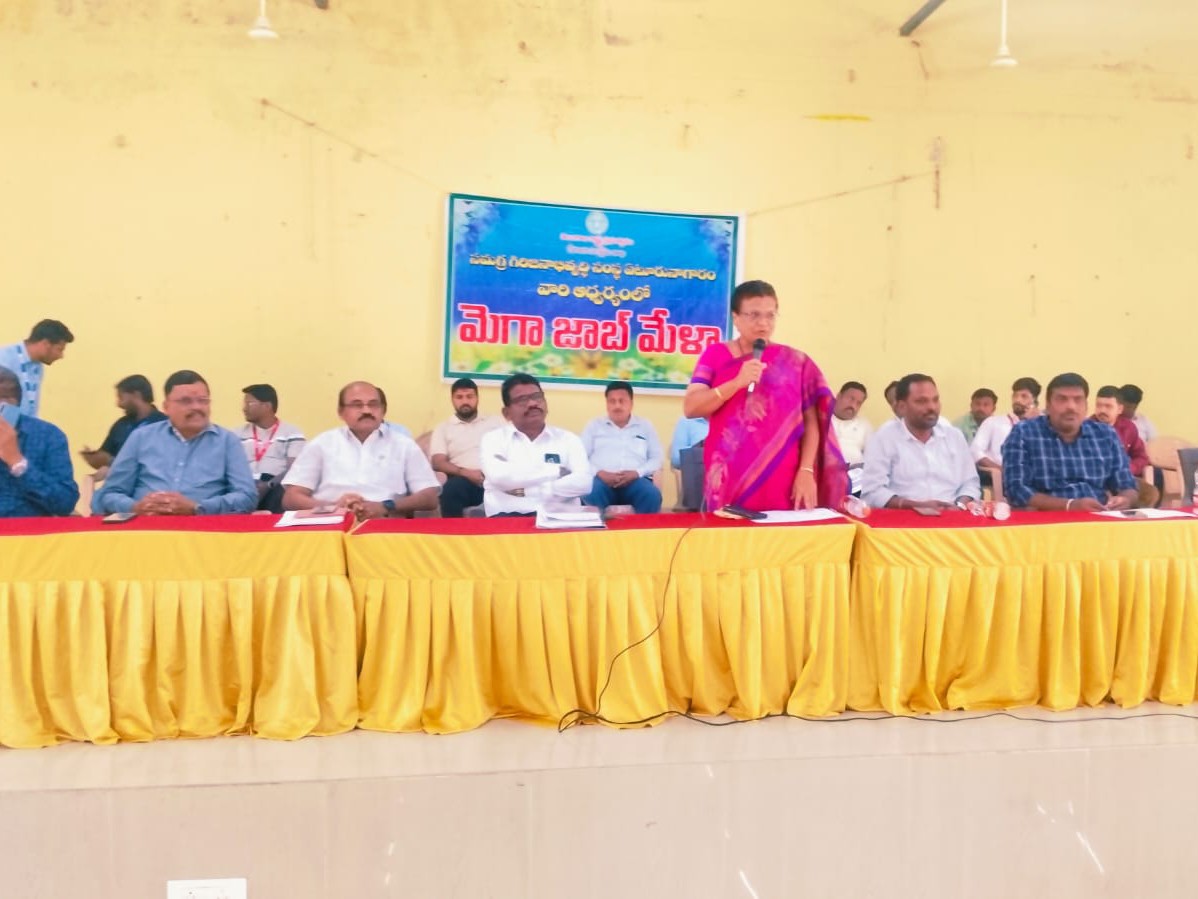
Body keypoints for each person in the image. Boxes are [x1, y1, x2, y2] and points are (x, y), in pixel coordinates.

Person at [682, 279, 847, 512]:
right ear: (735, 317)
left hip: (783, 476)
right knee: (729, 533)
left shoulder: (795, 362)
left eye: (770, 315)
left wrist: (806, 470)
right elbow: (691, 407)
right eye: (754, 315)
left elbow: (811, 423)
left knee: (779, 533)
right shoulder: (715, 355)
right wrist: (735, 383)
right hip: (728, 474)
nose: (763, 323)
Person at [92, 370, 257, 515]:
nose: (197, 407)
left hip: (203, 532)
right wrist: (136, 507)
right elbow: (109, 494)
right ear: (166, 407)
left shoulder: (227, 442)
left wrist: (197, 508)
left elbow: (247, 497)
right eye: (186, 401)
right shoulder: (141, 438)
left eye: (203, 400)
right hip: (143, 530)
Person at [283, 381, 439, 520]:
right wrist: (333, 507)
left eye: (373, 404)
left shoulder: (404, 445)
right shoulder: (322, 443)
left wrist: (385, 506)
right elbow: (291, 498)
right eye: (357, 405)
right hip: (330, 523)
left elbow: (429, 497)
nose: (366, 410)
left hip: (384, 524)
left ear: (383, 410)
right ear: (341, 412)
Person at [1002, 373, 1137, 511]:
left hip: (1099, 516)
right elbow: (1016, 491)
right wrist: (1069, 505)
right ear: (1048, 405)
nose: (1071, 406)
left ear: (1086, 406)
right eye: (1062, 399)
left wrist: (1125, 499)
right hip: (1047, 519)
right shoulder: (1024, 433)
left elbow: (1127, 485)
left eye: (1078, 400)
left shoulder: (1105, 434)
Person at [861, 373, 980, 511]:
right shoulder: (884, 438)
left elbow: (970, 483)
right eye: (922, 401)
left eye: (935, 400)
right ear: (902, 406)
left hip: (952, 515)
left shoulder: (954, 437)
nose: (932, 407)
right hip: (904, 517)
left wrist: (959, 505)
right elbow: (873, 492)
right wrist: (915, 506)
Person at [479, 373, 591, 516]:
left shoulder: (569, 439)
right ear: (506, 413)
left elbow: (584, 482)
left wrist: (529, 491)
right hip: (507, 520)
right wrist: (556, 471)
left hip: (559, 520)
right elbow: (500, 477)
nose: (532, 404)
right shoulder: (493, 440)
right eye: (522, 400)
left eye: (537, 397)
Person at [0, 366, 79, 517]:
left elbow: (65, 503)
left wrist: (18, 464)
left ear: (10, 404)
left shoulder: (48, 436)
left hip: (30, 529)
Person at [581, 382, 664, 514]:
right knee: (589, 492)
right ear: (607, 404)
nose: (617, 406)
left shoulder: (645, 426)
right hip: (601, 481)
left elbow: (656, 458)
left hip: (636, 481)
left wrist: (637, 472)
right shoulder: (594, 425)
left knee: (651, 494)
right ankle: (597, 528)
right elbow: (580, 458)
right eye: (612, 401)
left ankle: (643, 528)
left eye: (622, 401)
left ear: (631, 403)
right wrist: (600, 473)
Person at [429, 377, 503, 518]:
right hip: (463, 482)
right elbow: (438, 462)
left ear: (477, 398)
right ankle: (453, 532)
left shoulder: (496, 422)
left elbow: (511, 449)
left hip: (496, 479)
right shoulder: (443, 428)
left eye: (470, 396)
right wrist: (466, 473)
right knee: (450, 490)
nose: (465, 401)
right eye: (459, 397)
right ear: (452, 400)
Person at [79, 375, 168, 477]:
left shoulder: (165, 425)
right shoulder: (120, 426)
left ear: (136, 395)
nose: (119, 404)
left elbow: (160, 464)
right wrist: (95, 458)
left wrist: (111, 461)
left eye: (121, 397)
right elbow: (106, 458)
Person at [238, 384, 307, 513]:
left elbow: (294, 469)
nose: (244, 408)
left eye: (249, 403)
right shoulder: (237, 434)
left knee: (285, 493)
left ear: (267, 406)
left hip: (274, 486)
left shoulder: (291, 433)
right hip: (244, 486)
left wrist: (268, 485)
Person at [1092, 385, 1158, 507]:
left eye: (1108, 406)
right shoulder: (1087, 427)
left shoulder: (1128, 427)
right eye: (1099, 405)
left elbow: (1141, 456)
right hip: (1097, 480)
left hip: (1123, 478)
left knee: (1150, 493)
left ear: (1120, 409)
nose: (1102, 410)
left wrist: (1129, 469)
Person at [0, 319, 74, 418]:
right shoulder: (4, 359)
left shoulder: (37, 367)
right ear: (45, 344)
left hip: (23, 424)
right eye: (59, 349)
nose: (61, 356)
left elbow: (32, 408)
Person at [971, 377, 1041, 471]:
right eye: (1015, 395)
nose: (1017, 400)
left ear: (1034, 401)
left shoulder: (1042, 425)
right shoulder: (993, 422)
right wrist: (1001, 470)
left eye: (1024, 396)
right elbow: (975, 451)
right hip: (998, 475)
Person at [831, 381, 872, 495]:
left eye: (859, 403)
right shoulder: (822, 418)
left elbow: (873, 458)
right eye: (851, 399)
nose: (853, 405)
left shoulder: (864, 425)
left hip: (855, 480)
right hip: (826, 474)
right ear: (838, 396)